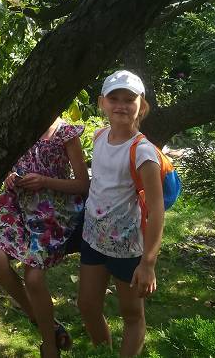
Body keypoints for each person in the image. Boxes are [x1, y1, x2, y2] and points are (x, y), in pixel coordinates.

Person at [77, 70, 165, 357]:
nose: (121, 105)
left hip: (127, 249)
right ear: (101, 102)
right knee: (87, 306)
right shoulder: (99, 137)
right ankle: (103, 353)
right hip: (93, 240)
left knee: (131, 314)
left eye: (129, 99)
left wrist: (148, 263)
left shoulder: (144, 152)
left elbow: (156, 210)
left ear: (142, 105)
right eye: (114, 98)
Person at [0, 118, 89, 358]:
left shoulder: (65, 133)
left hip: (51, 209)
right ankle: (43, 321)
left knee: (33, 279)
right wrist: (10, 176)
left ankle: (49, 346)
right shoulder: (19, 126)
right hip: (16, 204)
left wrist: (44, 181)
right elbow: (8, 167)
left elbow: (83, 184)